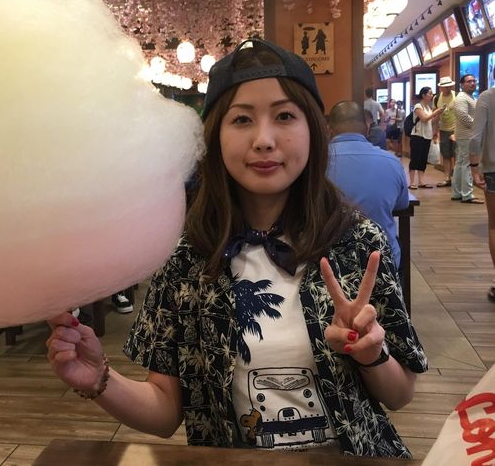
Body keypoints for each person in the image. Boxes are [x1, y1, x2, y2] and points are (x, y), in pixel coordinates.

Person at [46, 39, 427, 458]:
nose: (263, 140)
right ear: (215, 137)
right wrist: (100, 380)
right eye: (242, 119)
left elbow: (401, 395)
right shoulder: (185, 260)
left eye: (284, 116)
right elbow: (165, 412)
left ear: (314, 130)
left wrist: (371, 354)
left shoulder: (358, 242)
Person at [327, 101, 409, 277]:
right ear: (366, 128)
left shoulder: (312, 163)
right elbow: (402, 205)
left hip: (328, 266)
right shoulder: (392, 162)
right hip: (382, 264)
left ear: (329, 130)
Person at [468, 87, 495, 301]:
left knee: (494, 225)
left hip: (493, 168)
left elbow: (475, 137)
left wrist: (474, 167)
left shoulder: (487, 97)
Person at [452, 74, 483, 204]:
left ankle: (458, 193)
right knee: (467, 163)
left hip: (466, 135)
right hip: (467, 135)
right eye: (469, 81)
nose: (472, 83)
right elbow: (463, 116)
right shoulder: (461, 98)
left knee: (461, 163)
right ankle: (467, 194)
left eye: (474, 81)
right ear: (462, 84)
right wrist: (478, 127)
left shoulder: (469, 97)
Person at [409, 86, 444, 189]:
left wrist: (438, 115)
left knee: (423, 159)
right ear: (423, 95)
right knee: (415, 158)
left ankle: (421, 182)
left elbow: (430, 122)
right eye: (430, 93)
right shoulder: (418, 106)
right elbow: (424, 119)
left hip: (427, 136)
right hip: (417, 136)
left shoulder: (428, 107)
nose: (432, 95)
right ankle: (412, 182)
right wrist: (435, 112)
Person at [434, 77, 457, 188]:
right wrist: (435, 131)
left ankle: (457, 179)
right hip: (443, 130)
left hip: (457, 129)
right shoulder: (436, 98)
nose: (448, 88)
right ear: (441, 88)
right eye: (445, 86)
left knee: (457, 155)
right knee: (446, 155)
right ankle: (447, 178)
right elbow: (436, 116)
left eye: (449, 86)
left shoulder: (457, 96)